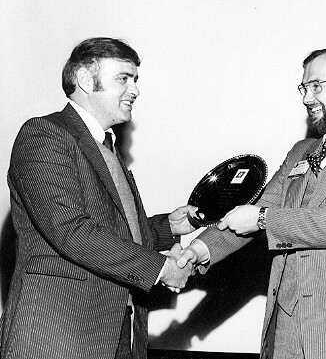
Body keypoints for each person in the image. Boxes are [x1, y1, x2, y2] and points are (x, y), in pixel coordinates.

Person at [177, 46, 326, 358]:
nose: (306, 98)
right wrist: (194, 252)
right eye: (304, 88)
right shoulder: (301, 151)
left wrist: (263, 218)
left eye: (317, 86)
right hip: (287, 322)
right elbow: (252, 212)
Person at [0, 37, 197, 359]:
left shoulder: (106, 147)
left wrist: (169, 227)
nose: (134, 90)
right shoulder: (45, 134)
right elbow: (70, 229)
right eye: (123, 78)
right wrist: (162, 268)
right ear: (83, 80)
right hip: (59, 329)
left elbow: (109, 229)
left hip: (118, 328)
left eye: (135, 80)